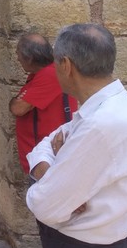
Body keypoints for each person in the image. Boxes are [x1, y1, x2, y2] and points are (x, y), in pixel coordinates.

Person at [26, 23, 127, 248]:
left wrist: (45, 177)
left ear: (66, 66)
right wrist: (51, 170)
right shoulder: (108, 107)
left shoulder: (101, 125)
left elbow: (44, 205)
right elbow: (45, 144)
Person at [10, 33, 78, 176]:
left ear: (29, 58)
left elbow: (18, 108)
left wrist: (15, 101)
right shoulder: (42, 74)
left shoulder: (49, 75)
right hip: (42, 159)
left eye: (18, 54)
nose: (17, 58)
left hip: (48, 162)